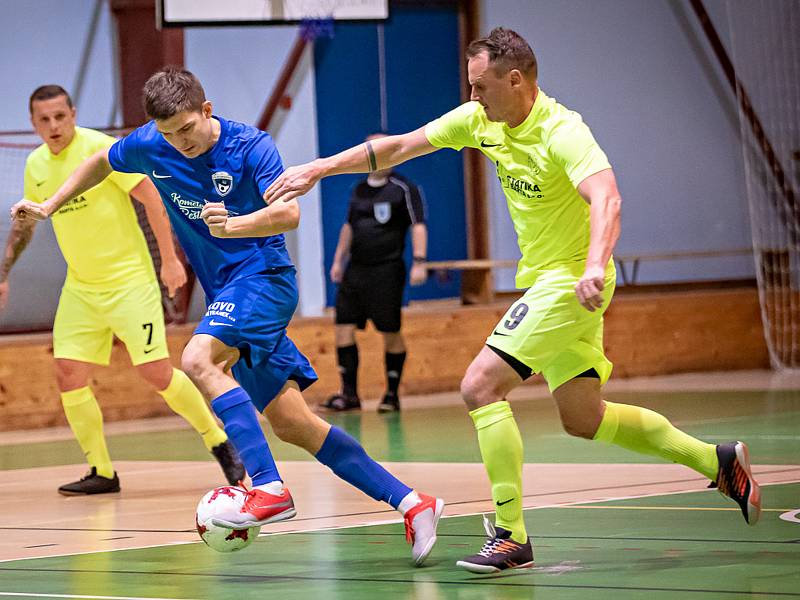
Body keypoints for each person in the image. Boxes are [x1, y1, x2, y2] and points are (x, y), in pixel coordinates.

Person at [262, 28, 762, 574]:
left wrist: (594, 264)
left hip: (571, 280)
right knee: (584, 418)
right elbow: (400, 145)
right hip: (551, 283)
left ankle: (511, 535)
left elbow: (607, 197)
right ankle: (716, 462)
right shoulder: (480, 122)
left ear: (515, 79)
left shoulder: (563, 130)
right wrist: (318, 168)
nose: (473, 97)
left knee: (479, 385)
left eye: (481, 86)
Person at [11, 68, 444, 566]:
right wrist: (49, 204)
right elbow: (101, 162)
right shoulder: (153, 143)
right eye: (169, 134)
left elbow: (289, 215)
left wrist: (237, 224)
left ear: (207, 110)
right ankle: (413, 502)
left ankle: (267, 487)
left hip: (264, 277)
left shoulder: (251, 147)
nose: (180, 143)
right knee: (293, 424)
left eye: (187, 130)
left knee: (196, 358)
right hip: (230, 291)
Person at [0, 85, 244, 495]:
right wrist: (5, 271)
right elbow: (26, 223)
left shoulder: (101, 149)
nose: (53, 126)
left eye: (60, 116)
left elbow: (152, 199)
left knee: (156, 373)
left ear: (73, 114)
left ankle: (219, 442)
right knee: (68, 373)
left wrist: (169, 260)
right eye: (44, 119)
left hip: (130, 282)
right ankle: (102, 471)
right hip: (81, 288)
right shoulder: (36, 164)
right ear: (33, 124)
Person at [324, 133, 428, 413]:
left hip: (387, 270)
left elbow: (418, 225)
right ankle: (349, 395)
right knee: (343, 327)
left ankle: (391, 395)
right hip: (356, 269)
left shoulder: (403, 188)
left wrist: (420, 261)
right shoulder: (359, 188)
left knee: (390, 331)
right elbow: (348, 226)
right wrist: (338, 261)